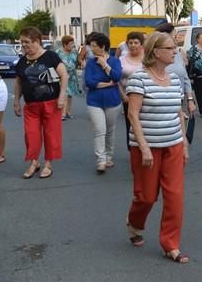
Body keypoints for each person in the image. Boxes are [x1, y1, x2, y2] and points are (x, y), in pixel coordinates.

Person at [126, 32, 189, 264]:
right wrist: (143, 147)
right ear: (156, 52)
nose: (175, 51)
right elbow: (133, 114)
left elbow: (178, 113)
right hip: (147, 147)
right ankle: (134, 222)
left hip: (172, 144)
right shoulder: (139, 78)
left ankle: (170, 244)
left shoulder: (174, 78)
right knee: (147, 197)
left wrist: (184, 144)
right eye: (171, 47)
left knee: (175, 196)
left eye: (175, 47)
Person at [14, 26, 68, 179]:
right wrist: (16, 101)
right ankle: (34, 162)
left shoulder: (50, 56)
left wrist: (62, 96)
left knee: (51, 135)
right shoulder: (22, 61)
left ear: (37, 41)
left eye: (27, 42)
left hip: (51, 103)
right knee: (31, 135)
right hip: (31, 105)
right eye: (22, 42)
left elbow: (64, 75)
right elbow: (18, 83)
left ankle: (48, 164)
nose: (24, 45)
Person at [85, 32, 122, 174]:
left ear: (103, 46)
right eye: (91, 46)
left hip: (113, 101)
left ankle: (108, 156)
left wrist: (105, 65)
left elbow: (117, 77)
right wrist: (108, 84)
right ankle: (100, 160)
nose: (91, 49)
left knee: (110, 130)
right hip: (94, 101)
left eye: (94, 46)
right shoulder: (90, 63)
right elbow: (89, 82)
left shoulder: (114, 61)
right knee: (100, 130)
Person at [155, 23, 196, 117]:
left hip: (178, 99)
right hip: (160, 101)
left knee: (178, 128)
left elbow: (185, 78)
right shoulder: (154, 57)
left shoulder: (178, 53)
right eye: (174, 34)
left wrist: (190, 100)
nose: (176, 36)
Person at [119, 31, 145, 149]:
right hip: (128, 98)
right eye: (130, 42)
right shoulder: (121, 59)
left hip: (146, 97)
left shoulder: (147, 59)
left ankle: (146, 147)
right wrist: (123, 94)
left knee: (145, 124)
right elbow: (116, 79)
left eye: (136, 42)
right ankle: (133, 149)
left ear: (141, 44)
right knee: (131, 124)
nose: (133, 45)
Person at [55, 35, 82, 120]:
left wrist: (81, 62)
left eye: (73, 43)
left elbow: (77, 62)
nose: (72, 45)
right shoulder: (58, 53)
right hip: (62, 76)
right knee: (65, 94)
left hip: (72, 76)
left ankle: (67, 112)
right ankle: (62, 114)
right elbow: (54, 65)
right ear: (64, 45)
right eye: (70, 44)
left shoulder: (74, 52)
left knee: (70, 95)